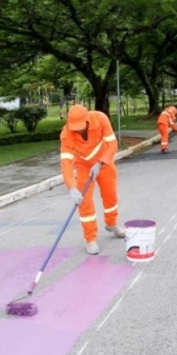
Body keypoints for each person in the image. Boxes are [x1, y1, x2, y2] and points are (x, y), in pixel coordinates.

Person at [60, 104, 125, 255]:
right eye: (74, 127)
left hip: (104, 163)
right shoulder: (66, 134)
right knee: (84, 202)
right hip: (83, 166)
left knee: (110, 196)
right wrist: (72, 187)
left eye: (80, 126)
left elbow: (112, 144)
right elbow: (66, 161)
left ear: (87, 119)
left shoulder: (100, 118)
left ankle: (112, 224)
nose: (78, 130)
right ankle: (90, 239)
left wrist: (100, 162)